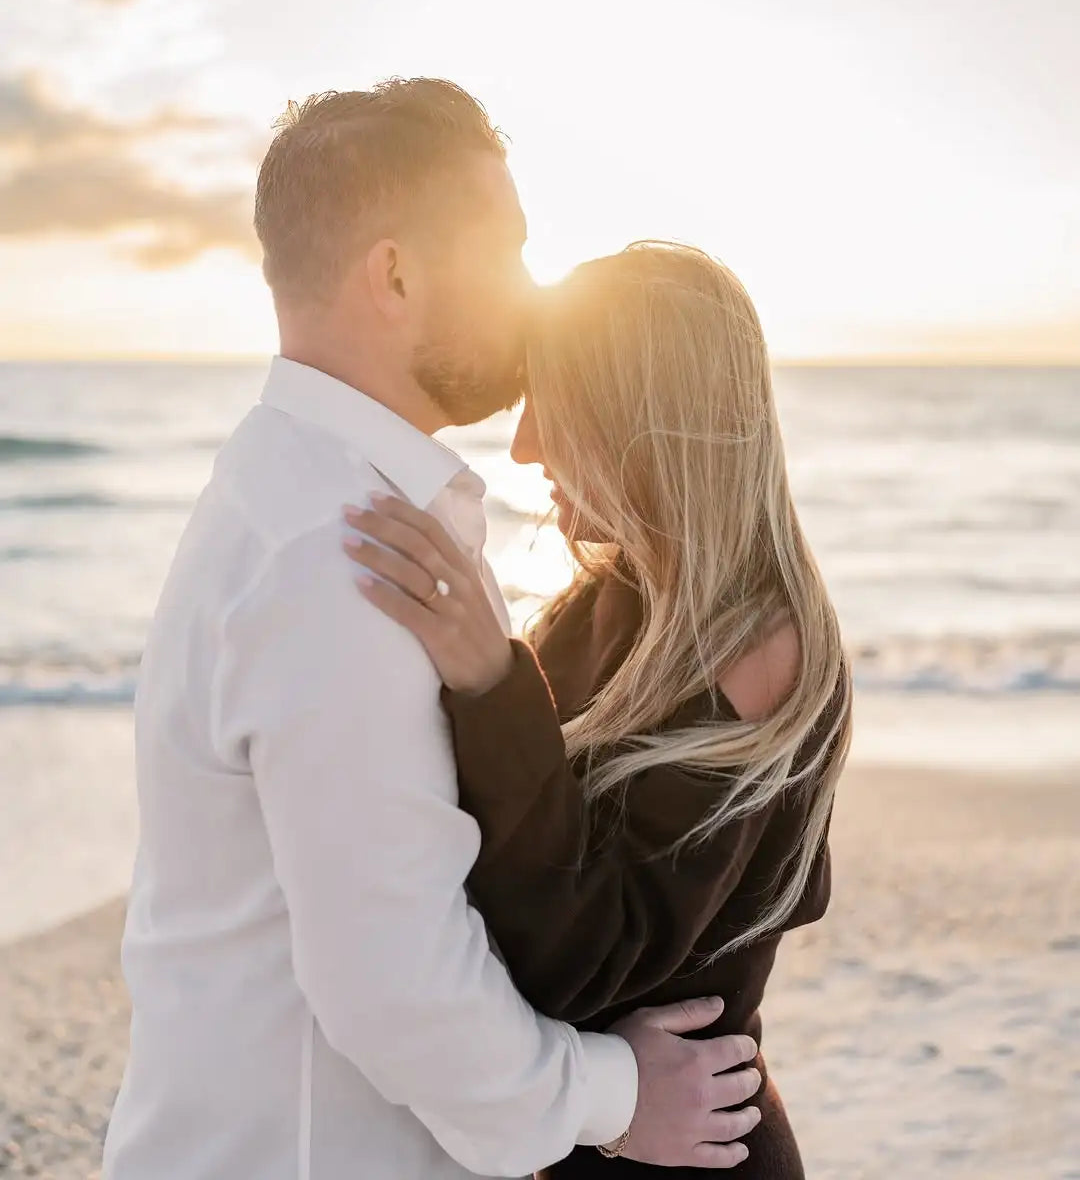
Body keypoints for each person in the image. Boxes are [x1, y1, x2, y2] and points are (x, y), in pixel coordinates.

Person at [102, 85, 765, 1180]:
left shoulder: (302, 496)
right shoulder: (336, 551)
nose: (529, 288)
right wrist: (614, 1096)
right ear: (397, 274)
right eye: (505, 248)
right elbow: (394, 976)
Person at [343, 241, 854, 1178]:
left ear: (644, 418)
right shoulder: (610, 598)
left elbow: (574, 961)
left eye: (556, 402)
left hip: (694, 1154)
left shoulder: (759, 648)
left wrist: (491, 680)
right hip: (601, 1141)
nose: (525, 444)